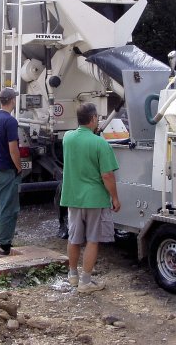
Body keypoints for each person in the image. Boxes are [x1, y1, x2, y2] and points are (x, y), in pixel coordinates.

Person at [60, 102, 121, 293]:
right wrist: (115, 198)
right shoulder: (100, 144)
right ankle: (86, 282)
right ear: (93, 119)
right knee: (92, 240)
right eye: (97, 118)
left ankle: (72, 276)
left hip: (72, 197)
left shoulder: (67, 138)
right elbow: (107, 175)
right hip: (94, 199)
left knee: (74, 238)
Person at [0, 87, 23, 256]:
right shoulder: (11, 121)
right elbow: (13, 148)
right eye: (14, 98)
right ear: (12, 100)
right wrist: (19, 166)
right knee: (8, 207)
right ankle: (5, 245)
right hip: (6, 169)